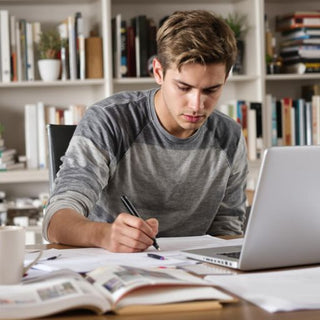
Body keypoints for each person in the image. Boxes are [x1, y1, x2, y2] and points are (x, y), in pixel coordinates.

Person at [43, 10, 248, 253]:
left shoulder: (229, 136)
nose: (197, 105)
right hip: (114, 266)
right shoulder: (110, 120)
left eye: (211, 90)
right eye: (184, 87)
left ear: (225, 79)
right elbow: (55, 221)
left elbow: (228, 230)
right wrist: (104, 234)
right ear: (158, 72)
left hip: (196, 271)